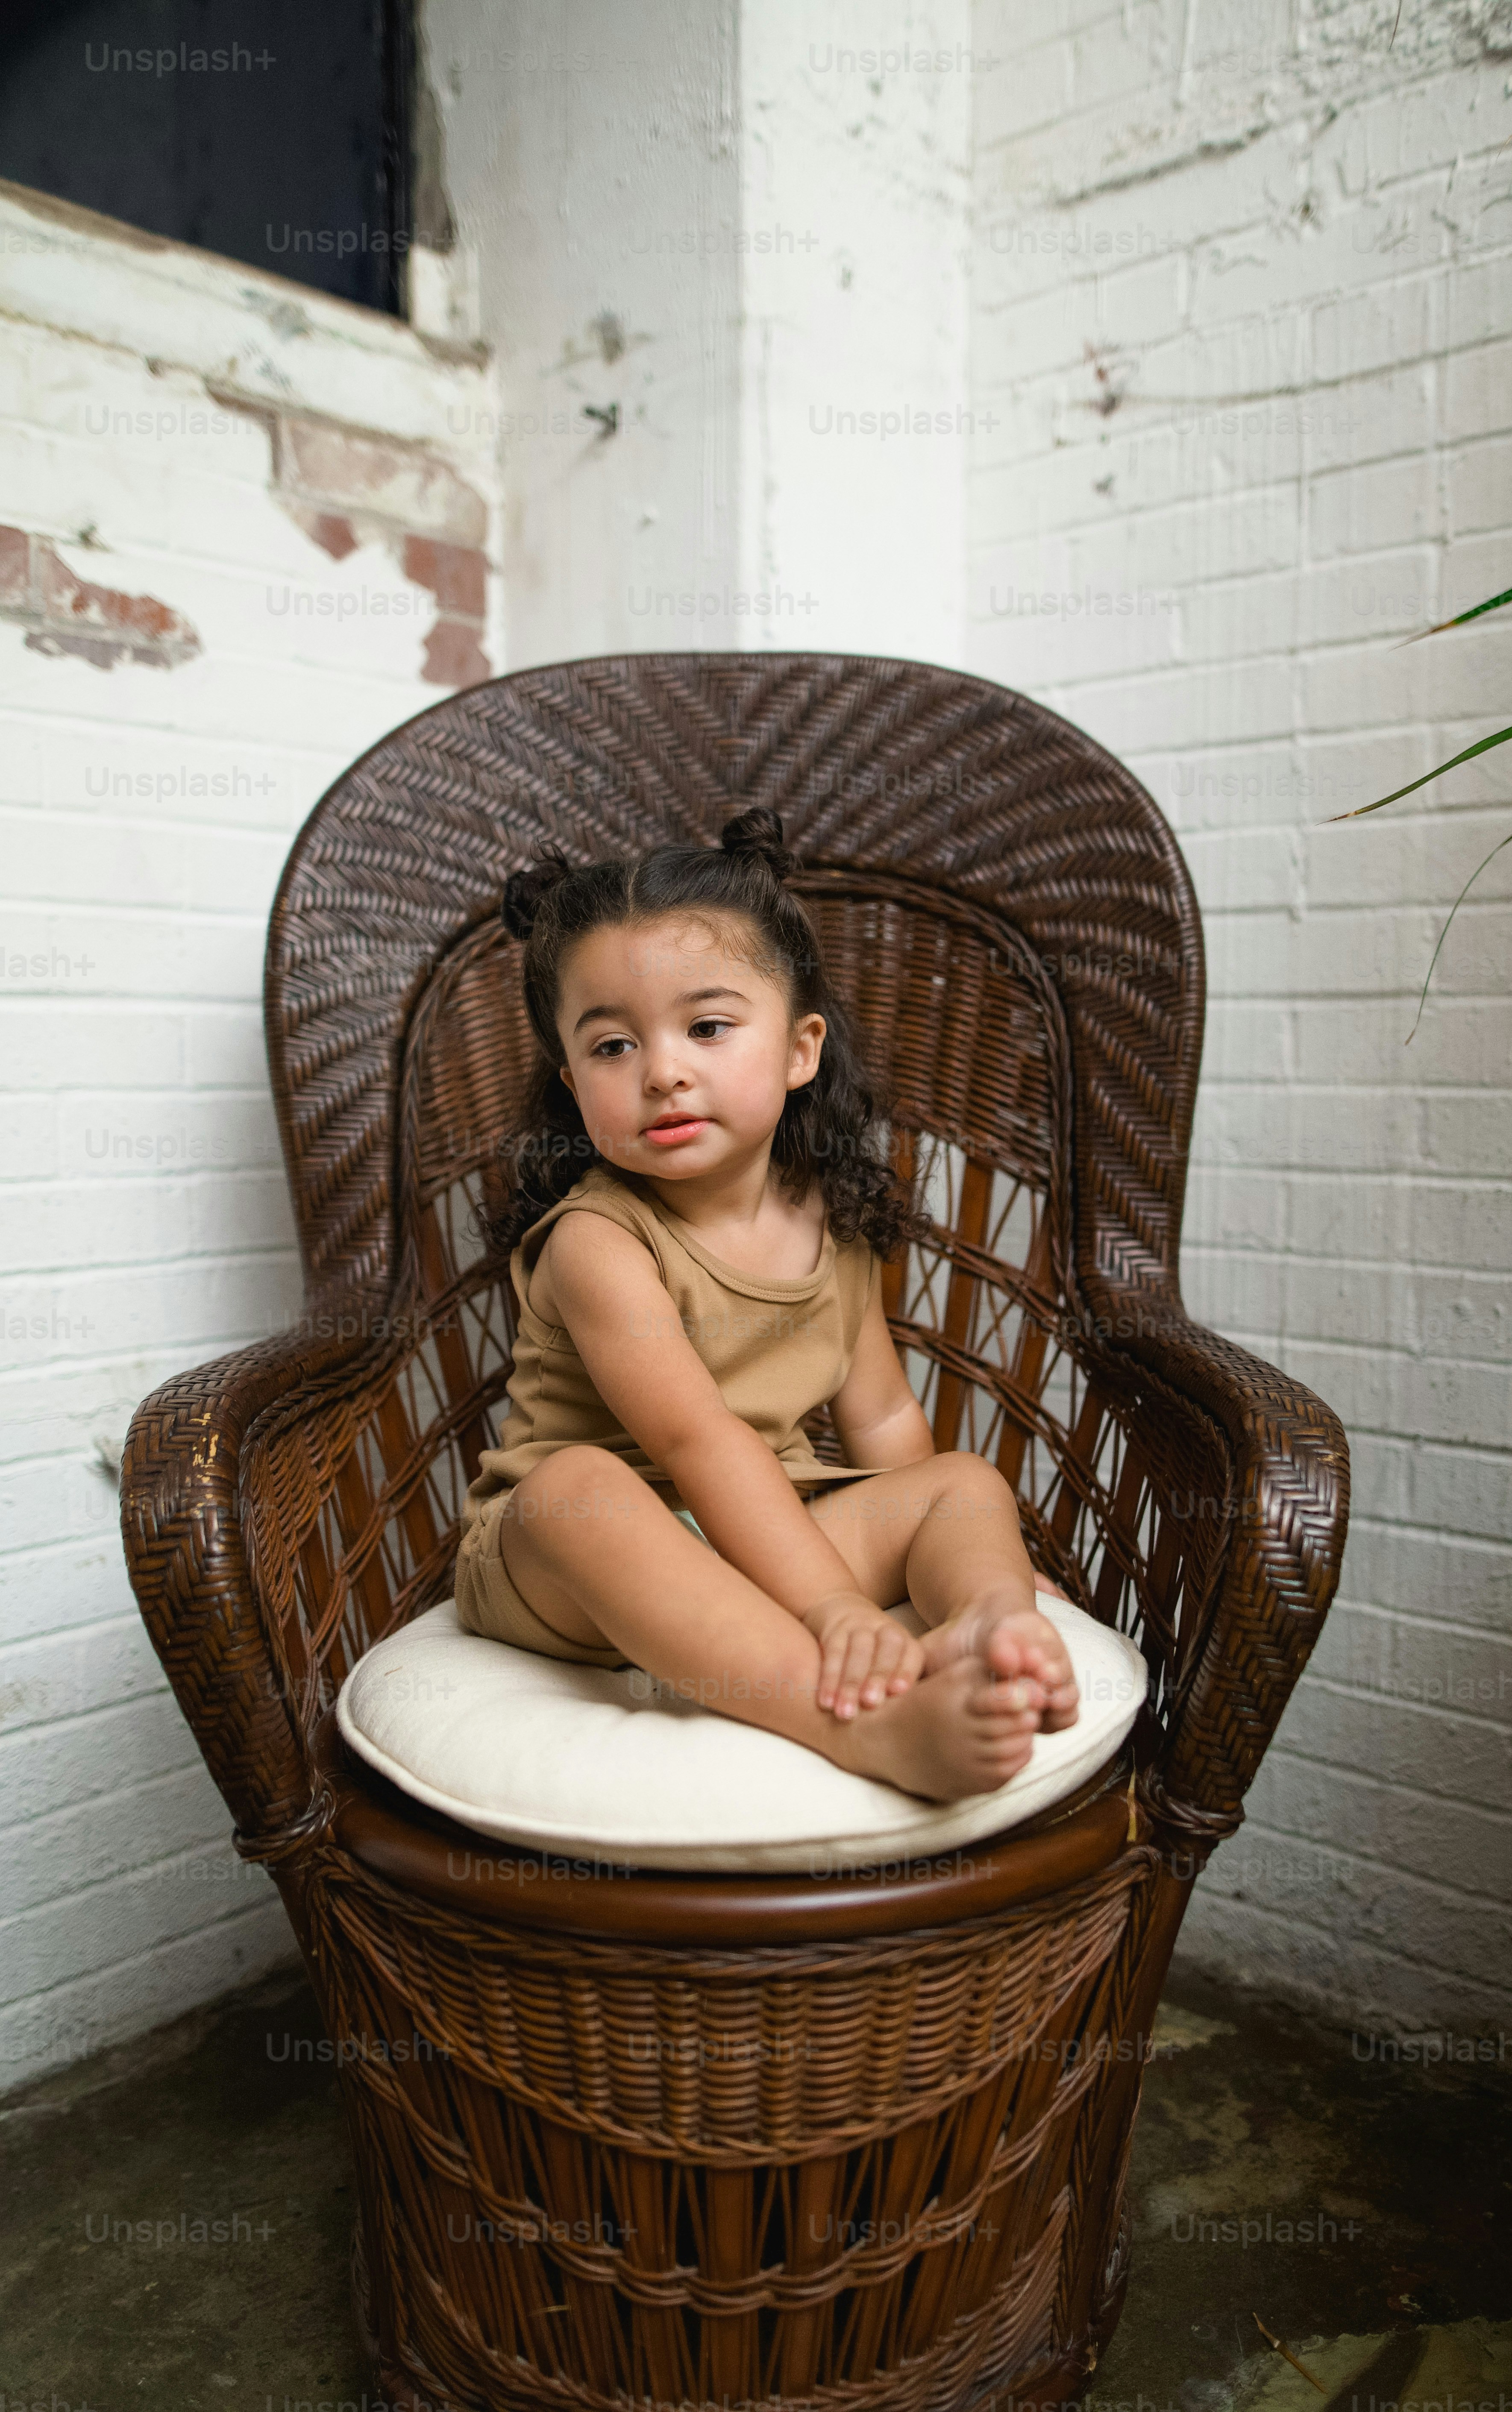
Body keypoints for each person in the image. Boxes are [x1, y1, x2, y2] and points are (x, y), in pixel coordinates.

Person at [454, 807, 1079, 1803]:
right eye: (612, 1047)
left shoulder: (834, 1220)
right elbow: (697, 1441)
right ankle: (862, 1727)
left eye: (707, 1028)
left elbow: (883, 1416)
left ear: (799, 1049)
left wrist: (953, 1555)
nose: (663, 1071)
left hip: (763, 1537)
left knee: (962, 1484)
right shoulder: (597, 1242)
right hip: (575, 1565)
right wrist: (833, 1607)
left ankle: (992, 1627)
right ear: (571, 1084)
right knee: (580, 1491)